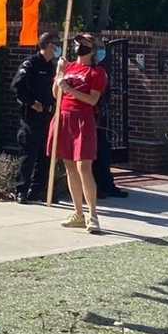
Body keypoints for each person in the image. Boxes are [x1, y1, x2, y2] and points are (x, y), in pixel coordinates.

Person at [49, 33, 108, 234]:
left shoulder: (97, 72)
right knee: (69, 167)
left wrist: (69, 88)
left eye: (83, 43)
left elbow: (92, 100)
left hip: (82, 120)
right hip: (63, 117)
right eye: (77, 42)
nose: (78, 45)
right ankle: (78, 214)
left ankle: (93, 216)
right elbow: (56, 95)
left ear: (92, 48)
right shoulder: (68, 67)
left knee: (84, 167)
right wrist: (59, 74)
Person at [11, 32, 58, 203]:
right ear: (46, 45)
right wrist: (31, 103)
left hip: (48, 116)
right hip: (31, 117)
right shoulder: (30, 64)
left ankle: (37, 190)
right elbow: (17, 86)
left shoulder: (51, 66)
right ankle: (21, 190)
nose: (57, 47)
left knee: (45, 156)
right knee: (28, 155)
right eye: (55, 44)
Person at [91, 76, 128, 200]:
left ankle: (106, 185)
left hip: (101, 118)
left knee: (104, 155)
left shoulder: (100, 72)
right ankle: (98, 187)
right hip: (91, 119)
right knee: (94, 156)